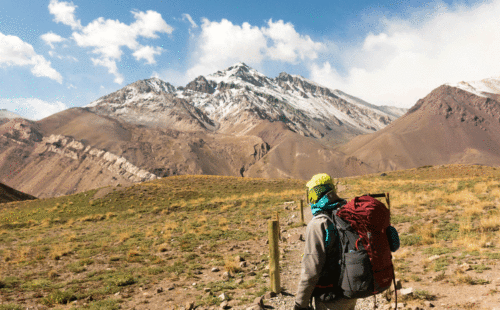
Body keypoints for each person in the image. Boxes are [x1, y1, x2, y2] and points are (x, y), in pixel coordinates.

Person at [294, 173, 358, 310]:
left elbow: (311, 272)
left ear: (315, 194)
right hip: (350, 291)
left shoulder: (318, 224)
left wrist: (300, 304)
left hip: (329, 298)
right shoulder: (346, 213)